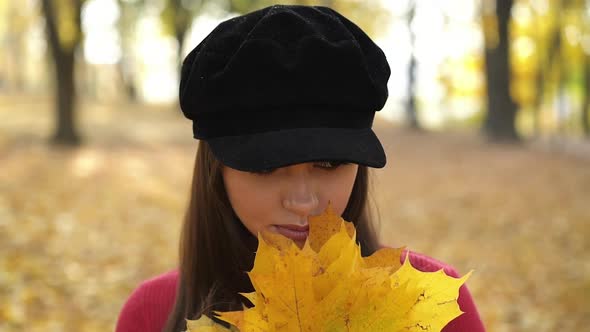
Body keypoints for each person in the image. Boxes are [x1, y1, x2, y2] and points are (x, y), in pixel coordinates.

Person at [115, 4, 485, 332]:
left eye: (329, 163)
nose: (303, 201)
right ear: (216, 171)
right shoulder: (152, 315)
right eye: (266, 167)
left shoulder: (432, 304)